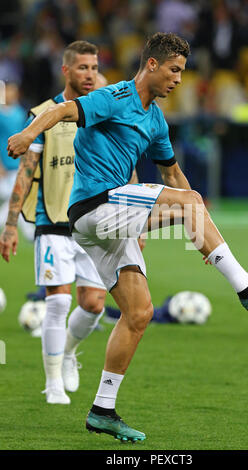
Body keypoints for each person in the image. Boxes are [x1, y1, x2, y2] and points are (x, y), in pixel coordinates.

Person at [6, 32, 248, 442]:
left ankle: (102, 409)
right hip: (93, 205)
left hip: (106, 223)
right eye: (175, 70)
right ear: (153, 65)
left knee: (138, 313)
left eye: (183, 72)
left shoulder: (157, 119)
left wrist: (201, 226)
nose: (179, 79)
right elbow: (63, 110)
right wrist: (26, 136)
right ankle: (247, 288)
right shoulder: (117, 96)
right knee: (189, 203)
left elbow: (173, 176)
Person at [0, 41, 108, 406]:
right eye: (82, 67)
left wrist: (134, 226)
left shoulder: (103, 113)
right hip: (54, 223)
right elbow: (25, 174)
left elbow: (125, 169)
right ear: (66, 71)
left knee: (94, 304)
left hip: (95, 224)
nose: (90, 74)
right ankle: (53, 384)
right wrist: (11, 225)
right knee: (58, 303)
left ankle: (69, 352)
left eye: (94, 67)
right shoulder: (43, 115)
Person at [0, 82, 34, 241]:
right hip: (4, 165)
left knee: (17, 196)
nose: (11, 94)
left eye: (14, 91)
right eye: (8, 91)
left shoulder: (20, 113)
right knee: (16, 196)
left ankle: (28, 233)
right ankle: (28, 232)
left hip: (18, 163)